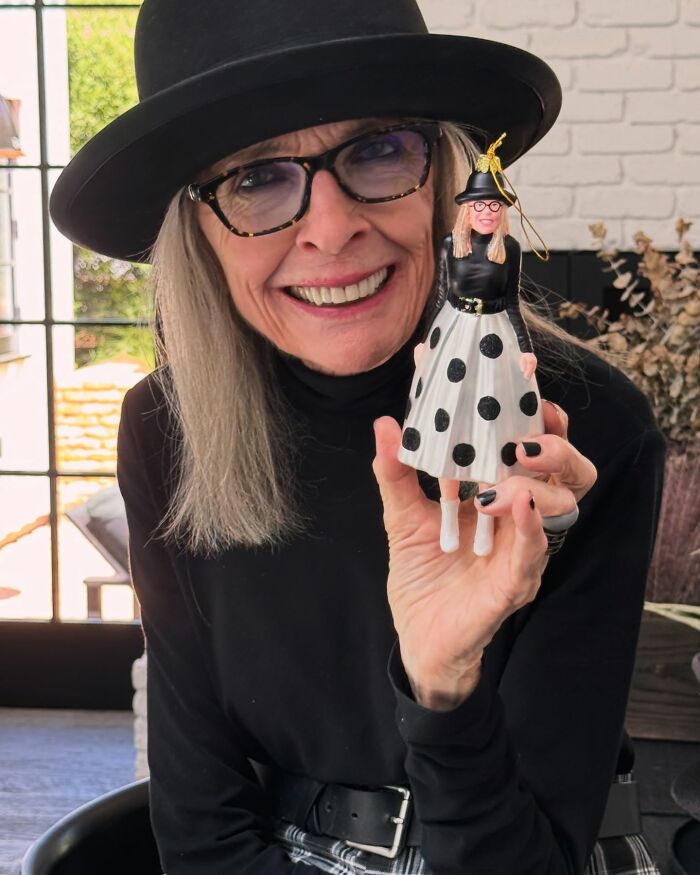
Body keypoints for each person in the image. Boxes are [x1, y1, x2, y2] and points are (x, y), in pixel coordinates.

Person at [49, 1, 666, 873]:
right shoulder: (165, 429)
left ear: (443, 179)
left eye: (378, 150)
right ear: (199, 229)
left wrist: (445, 685)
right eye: (255, 177)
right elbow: (201, 829)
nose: (331, 228)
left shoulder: (579, 433)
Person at [398, 143, 546, 554]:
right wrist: (428, 341)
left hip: (495, 336)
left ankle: (483, 519)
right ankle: (448, 512)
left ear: (502, 212)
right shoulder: (452, 245)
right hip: (456, 331)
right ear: (467, 209)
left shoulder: (509, 250)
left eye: (494, 207)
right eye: (479, 206)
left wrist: (525, 346)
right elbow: (443, 295)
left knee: (489, 425)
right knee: (449, 422)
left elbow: (513, 303)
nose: (486, 213)